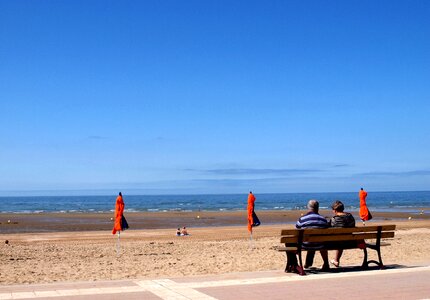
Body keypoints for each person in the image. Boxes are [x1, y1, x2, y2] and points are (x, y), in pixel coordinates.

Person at [295, 199, 330, 270]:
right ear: (318, 208)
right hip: (320, 244)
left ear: (308, 207)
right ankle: (325, 263)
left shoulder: (302, 219)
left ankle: (296, 264)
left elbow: (297, 229)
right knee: (317, 239)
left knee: (310, 240)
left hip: (305, 244)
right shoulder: (323, 219)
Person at [329, 200, 356, 267]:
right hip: (350, 241)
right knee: (341, 238)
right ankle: (336, 260)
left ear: (335, 210)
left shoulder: (334, 219)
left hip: (337, 242)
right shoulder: (350, 217)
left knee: (338, 239)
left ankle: (327, 263)